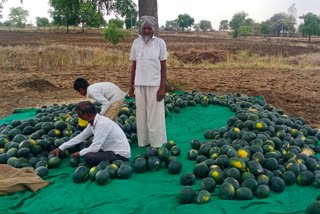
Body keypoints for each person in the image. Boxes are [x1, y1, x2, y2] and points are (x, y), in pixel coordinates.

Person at [48, 101, 131, 165]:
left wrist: (79, 153)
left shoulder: (102, 124)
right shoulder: (93, 122)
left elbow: (95, 148)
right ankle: (98, 159)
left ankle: (99, 164)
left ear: (87, 115)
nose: (79, 118)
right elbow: (80, 137)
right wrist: (61, 148)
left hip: (119, 155)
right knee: (88, 144)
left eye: (80, 116)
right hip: (109, 148)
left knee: (88, 156)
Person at [129, 16, 167, 148]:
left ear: (153, 29)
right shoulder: (136, 43)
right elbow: (134, 66)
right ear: (141, 29)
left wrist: (162, 87)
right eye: (144, 28)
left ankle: (156, 143)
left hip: (154, 84)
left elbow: (163, 66)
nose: (146, 31)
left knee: (154, 115)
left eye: (149, 28)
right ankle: (143, 141)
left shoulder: (160, 43)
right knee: (141, 114)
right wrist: (131, 85)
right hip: (139, 83)